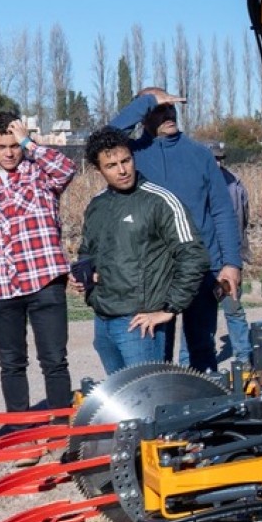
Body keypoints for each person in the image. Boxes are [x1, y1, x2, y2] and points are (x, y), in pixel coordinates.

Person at [106, 88, 242, 371]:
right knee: (157, 354)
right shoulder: (132, 156)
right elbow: (105, 138)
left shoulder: (200, 155)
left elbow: (221, 211)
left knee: (202, 347)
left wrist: (230, 263)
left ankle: (206, 411)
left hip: (201, 268)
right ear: (143, 115)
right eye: (159, 109)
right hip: (153, 272)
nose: (168, 114)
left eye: (170, 108)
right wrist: (147, 101)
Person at [0, 111, 77, 414]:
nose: (9, 153)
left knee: (54, 359)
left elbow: (67, 168)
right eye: (1, 146)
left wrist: (30, 142)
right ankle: (20, 431)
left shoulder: (41, 174)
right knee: (11, 363)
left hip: (45, 280)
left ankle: (61, 428)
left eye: (14, 146)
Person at [74, 128, 210, 375]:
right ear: (99, 169)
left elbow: (194, 256)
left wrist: (169, 309)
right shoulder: (97, 204)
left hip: (140, 323)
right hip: (103, 319)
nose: (122, 170)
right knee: (122, 402)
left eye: (126, 161)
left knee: (148, 402)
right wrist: (85, 275)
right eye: (112, 165)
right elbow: (87, 250)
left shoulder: (160, 201)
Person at [210, 142, 252, 364]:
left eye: (220, 158)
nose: (217, 162)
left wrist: (238, 255)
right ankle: (198, 361)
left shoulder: (235, 185)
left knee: (233, 309)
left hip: (230, 259)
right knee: (202, 317)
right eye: (213, 158)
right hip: (205, 260)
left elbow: (243, 221)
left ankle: (244, 357)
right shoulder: (197, 184)